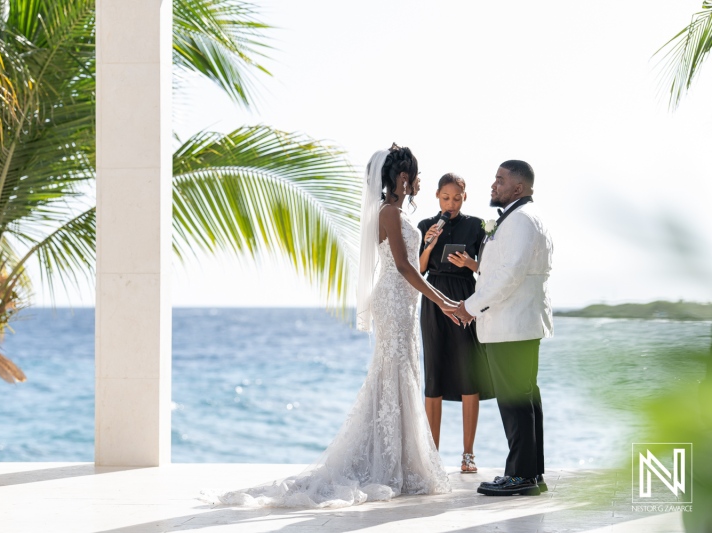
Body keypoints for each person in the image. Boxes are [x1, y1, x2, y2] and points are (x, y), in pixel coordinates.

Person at [202, 144, 456, 508]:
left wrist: (427, 251)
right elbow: (402, 266)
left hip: (401, 301)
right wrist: (444, 301)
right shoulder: (387, 213)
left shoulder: (392, 213)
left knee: (401, 374)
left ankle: (400, 459)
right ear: (402, 178)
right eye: (414, 174)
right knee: (395, 373)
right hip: (394, 301)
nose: (418, 180)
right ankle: (390, 463)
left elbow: (407, 264)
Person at [454, 160, 553, 497]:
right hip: (517, 324)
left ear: (518, 187)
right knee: (524, 399)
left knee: (516, 401)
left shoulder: (521, 221)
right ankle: (531, 474)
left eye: (500, 180)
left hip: (512, 325)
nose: (493, 185)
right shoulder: (520, 218)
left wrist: (468, 307)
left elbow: (508, 276)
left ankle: (521, 476)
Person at [417, 173, 494, 474]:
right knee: (434, 374)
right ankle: (432, 457)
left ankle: (468, 455)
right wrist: (428, 244)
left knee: (468, 374)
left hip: (465, 298)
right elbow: (419, 269)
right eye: (446, 198)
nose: (451, 203)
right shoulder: (426, 225)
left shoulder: (477, 225)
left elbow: (490, 268)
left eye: (457, 198)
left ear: (465, 197)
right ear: (437, 196)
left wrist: (470, 264)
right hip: (434, 300)